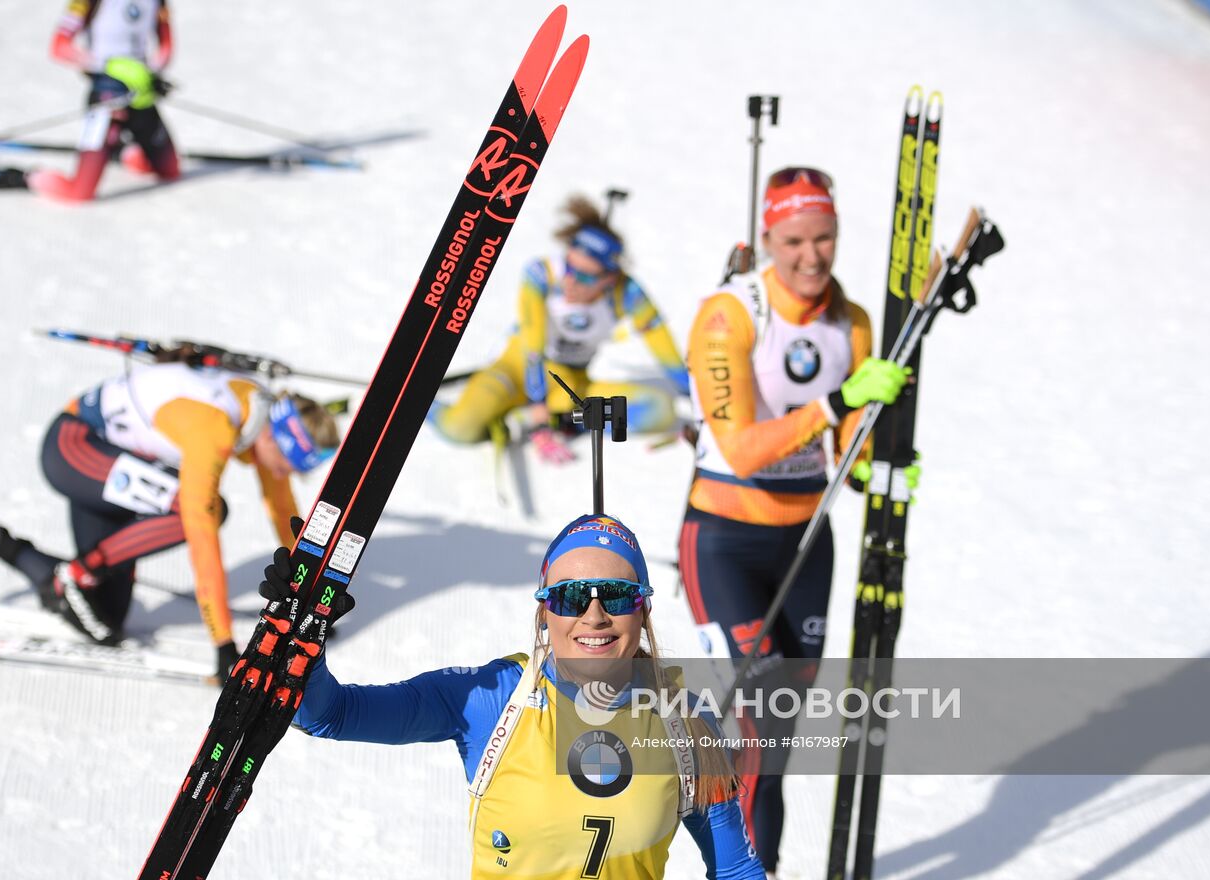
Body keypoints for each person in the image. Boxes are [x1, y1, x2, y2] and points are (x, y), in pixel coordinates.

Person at [264, 512, 764, 878]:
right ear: (545, 610)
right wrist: (305, 637)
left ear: (642, 610)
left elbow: (736, 870)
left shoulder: (686, 723)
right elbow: (330, 715)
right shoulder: (492, 699)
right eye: (570, 596)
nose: (593, 615)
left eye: (614, 594)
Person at [678, 167, 910, 877]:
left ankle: (760, 868)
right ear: (767, 239)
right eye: (794, 241)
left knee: (774, 742)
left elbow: (849, 449)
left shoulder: (854, 322)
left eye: (826, 238)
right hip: (724, 541)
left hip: (808, 545)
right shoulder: (730, 314)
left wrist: (881, 465)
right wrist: (837, 405)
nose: (812, 257)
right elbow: (745, 449)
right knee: (752, 725)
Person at [0, 361, 340, 684]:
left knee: (105, 618)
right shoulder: (215, 427)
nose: (285, 475)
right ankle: (79, 572)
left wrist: (310, 601)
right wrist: (223, 643)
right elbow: (201, 532)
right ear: (279, 440)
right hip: (76, 451)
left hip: (114, 469)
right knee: (206, 509)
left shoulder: (261, 414)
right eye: (289, 465)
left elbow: (281, 509)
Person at [430, 194, 691, 463]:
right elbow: (534, 344)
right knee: (459, 428)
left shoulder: (627, 293)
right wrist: (538, 406)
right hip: (515, 371)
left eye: (586, 276)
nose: (571, 282)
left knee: (660, 410)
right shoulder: (542, 274)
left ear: (610, 278)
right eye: (570, 268)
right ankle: (420, 404)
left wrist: (695, 397)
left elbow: (665, 350)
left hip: (569, 384)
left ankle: (545, 421)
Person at [25, 0, 181, 202]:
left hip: (141, 95)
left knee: (170, 170)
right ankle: (19, 177)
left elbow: (166, 47)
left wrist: (152, 73)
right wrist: (108, 65)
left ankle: (121, 151)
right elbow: (59, 46)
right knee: (80, 193)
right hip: (106, 97)